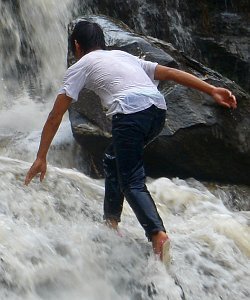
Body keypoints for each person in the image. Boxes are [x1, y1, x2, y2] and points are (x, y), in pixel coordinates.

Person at [24, 21, 237, 260]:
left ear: (76, 45)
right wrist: (212, 90)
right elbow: (170, 73)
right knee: (113, 158)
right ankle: (111, 223)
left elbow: (55, 116)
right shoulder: (123, 56)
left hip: (130, 113)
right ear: (102, 43)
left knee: (131, 180)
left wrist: (41, 156)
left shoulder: (80, 65)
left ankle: (157, 234)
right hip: (157, 112)